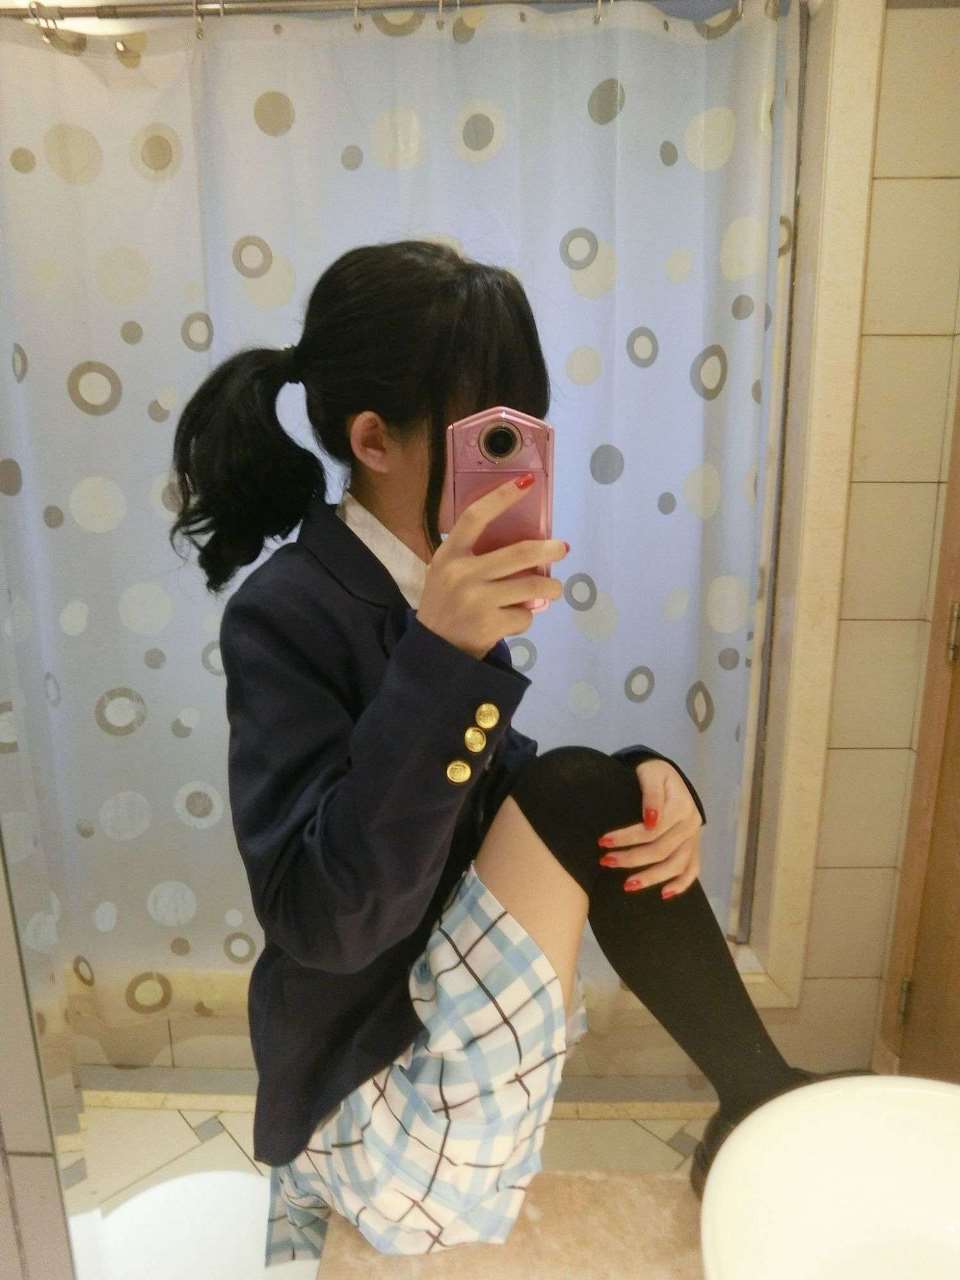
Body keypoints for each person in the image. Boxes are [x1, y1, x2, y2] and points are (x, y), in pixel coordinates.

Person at [168, 240, 857, 1264]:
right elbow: (327, 918)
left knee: (597, 783)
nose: (521, 466)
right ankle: (760, 1096)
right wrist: (442, 662)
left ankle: (757, 1096)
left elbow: (494, 793)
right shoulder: (288, 613)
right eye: (490, 437)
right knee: (580, 784)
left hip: (436, 1045)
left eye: (523, 431)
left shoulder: (426, 585)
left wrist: (645, 779)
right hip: (374, 1110)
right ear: (374, 440)